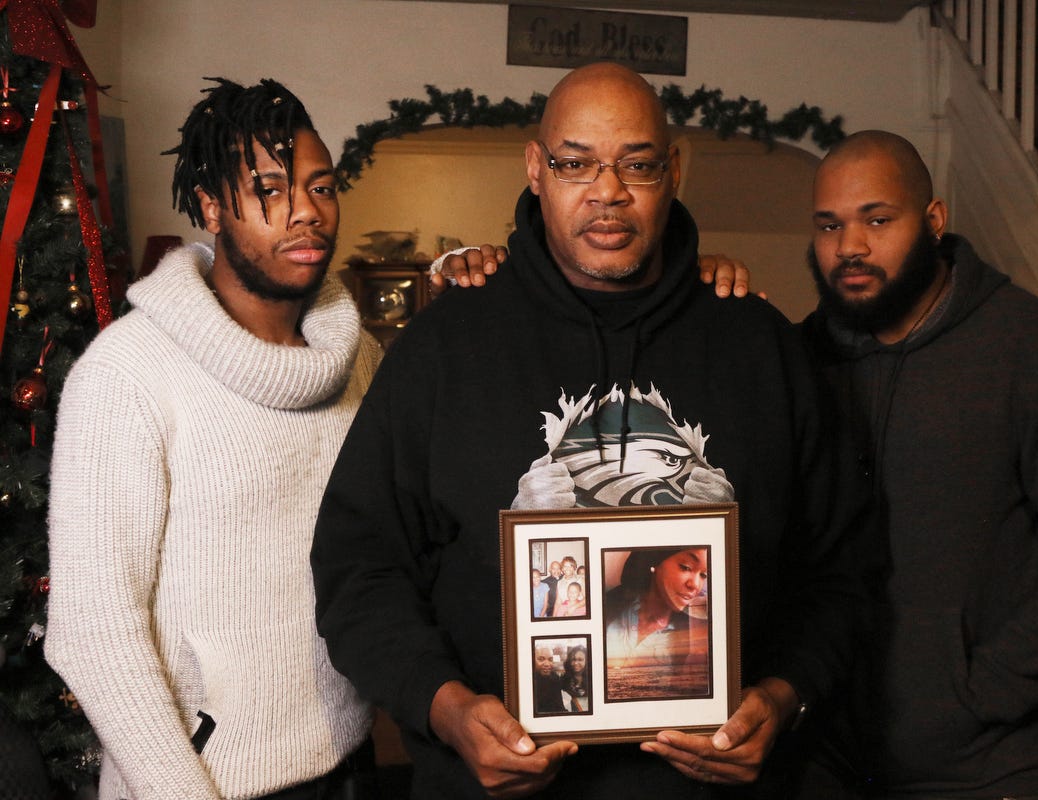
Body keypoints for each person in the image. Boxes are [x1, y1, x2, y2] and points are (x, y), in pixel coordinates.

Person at [311, 62, 866, 799]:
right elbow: (358, 567)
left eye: (636, 164)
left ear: (674, 169)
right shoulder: (444, 349)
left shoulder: (761, 347)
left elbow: (845, 569)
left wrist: (786, 695)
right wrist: (445, 709)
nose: (608, 191)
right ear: (537, 169)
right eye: (576, 163)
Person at [42, 76, 503, 800]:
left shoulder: (361, 364)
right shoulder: (126, 374)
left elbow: (405, 542)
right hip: (200, 783)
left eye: (321, 187)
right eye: (270, 188)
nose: (306, 213)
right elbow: (93, 632)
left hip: (348, 763)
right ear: (209, 206)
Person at [791, 131, 1038, 799]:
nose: (850, 245)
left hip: (1005, 767)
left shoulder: (1033, 351)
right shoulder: (798, 361)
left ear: (933, 221)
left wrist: (981, 690)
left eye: (878, 219)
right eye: (830, 225)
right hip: (834, 764)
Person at [604, 547, 710, 700]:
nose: (695, 585)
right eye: (686, 567)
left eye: (703, 575)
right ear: (655, 561)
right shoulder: (610, 603)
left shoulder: (693, 638)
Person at [559, 645, 590, 713]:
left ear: (587, 661)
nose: (576, 663)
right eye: (573, 659)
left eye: (580, 660)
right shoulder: (562, 681)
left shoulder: (592, 680)